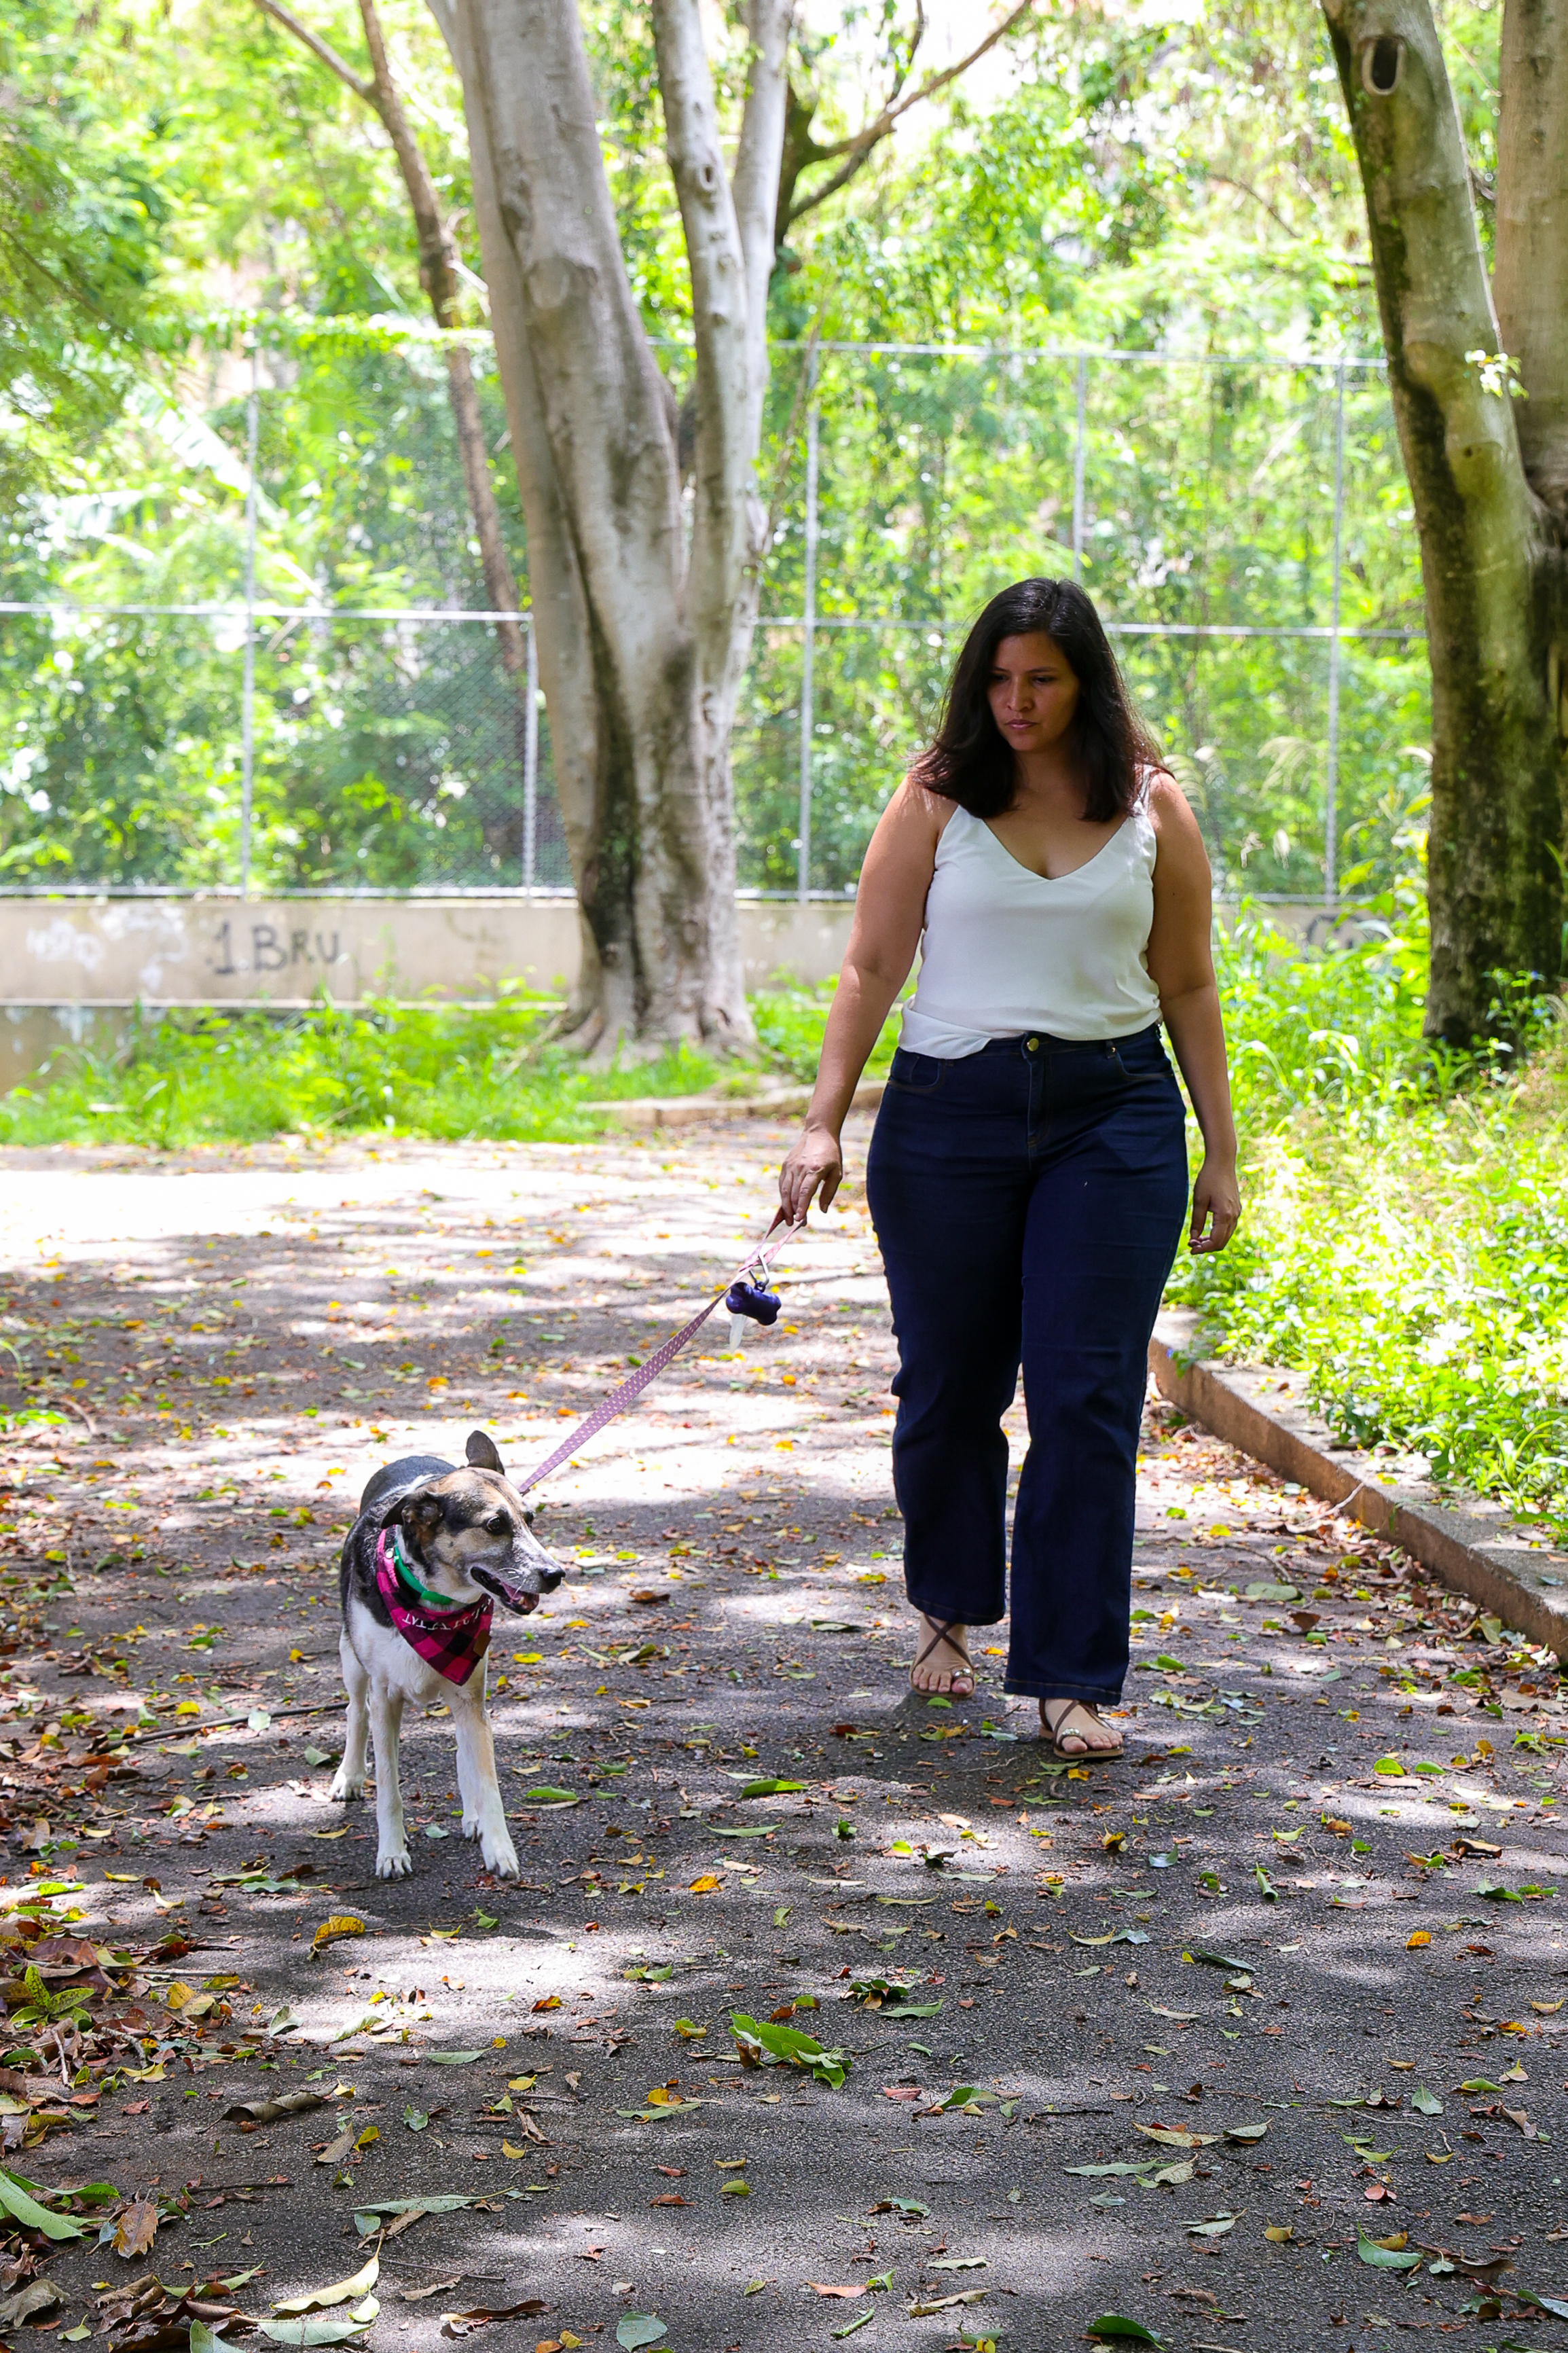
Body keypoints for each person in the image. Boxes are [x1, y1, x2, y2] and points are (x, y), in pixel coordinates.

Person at [777, 576, 1241, 1759]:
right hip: (948, 1118)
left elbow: (1186, 982)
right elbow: (869, 968)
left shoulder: (1150, 806)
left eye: (1039, 678)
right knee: (948, 1388)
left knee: (1086, 1403)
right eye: (996, 678)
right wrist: (821, 1121)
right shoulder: (936, 798)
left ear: (1084, 682)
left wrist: (1221, 1151)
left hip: (1115, 1116)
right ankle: (945, 1608)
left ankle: (1069, 1676)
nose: (1015, 701)